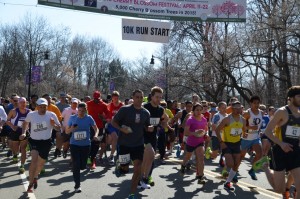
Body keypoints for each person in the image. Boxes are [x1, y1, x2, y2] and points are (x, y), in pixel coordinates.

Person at [255, 86, 300, 199]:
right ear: (291, 98)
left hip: (295, 151)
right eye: (299, 96)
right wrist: (281, 144)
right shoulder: (282, 112)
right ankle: (265, 166)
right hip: (280, 151)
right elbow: (268, 131)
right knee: (278, 189)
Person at [111, 89, 152, 199]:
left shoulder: (146, 113)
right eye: (137, 97)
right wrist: (121, 129)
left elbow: (146, 126)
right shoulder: (125, 110)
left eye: (140, 97)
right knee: (125, 169)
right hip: (124, 143)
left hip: (138, 144)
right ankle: (120, 165)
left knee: (138, 168)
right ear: (133, 98)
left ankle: (132, 193)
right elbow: (113, 122)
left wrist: (149, 128)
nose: (138, 99)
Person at [21, 98, 61, 193]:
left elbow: (59, 128)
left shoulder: (51, 115)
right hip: (34, 141)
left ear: (47, 107)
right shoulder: (31, 114)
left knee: (41, 163)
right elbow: (25, 123)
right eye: (41, 107)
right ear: (37, 107)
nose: (43, 109)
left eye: (45, 107)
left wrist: (53, 124)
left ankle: (35, 176)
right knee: (34, 161)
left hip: (46, 142)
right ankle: (30, 183)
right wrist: (23, 132)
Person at [65, 102, 99, 193]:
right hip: (74, 145)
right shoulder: (72, 118)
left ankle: (82, 165)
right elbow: (66, 131)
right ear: (77, 110)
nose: (80, 112)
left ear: (86, 111)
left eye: (83, 111)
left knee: (83, 166)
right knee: (76, 164)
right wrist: (72, 129)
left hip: (86, 145)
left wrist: (95, 135)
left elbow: (96, 128)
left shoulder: (89, 118)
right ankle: (77, 185)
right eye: (79, 110)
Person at [215, 101, 246, 191]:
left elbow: (244, 130)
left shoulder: (243, 119)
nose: (239, 110)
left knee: (236, 165)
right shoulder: (227, 119)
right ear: (232, 109)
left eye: (240, 108)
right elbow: (217, 130)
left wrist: (245, 134)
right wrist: (221, 142)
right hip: (226, 143)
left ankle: (227, 182)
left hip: (237, 143)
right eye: (237, 108)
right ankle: (223, 158)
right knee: (230, 164)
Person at [141, 86, 164, 187]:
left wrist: (162, 124)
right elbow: (138, 122)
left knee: (149, 158)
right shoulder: (145, 107)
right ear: (152, 96)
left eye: (160, 97)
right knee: (150, 154)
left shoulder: (161, 110)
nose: (158, 99)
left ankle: (144, 178)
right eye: (157, 97)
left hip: (153, 136)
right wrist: (146, 127)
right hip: (142, 135)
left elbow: (160, 122)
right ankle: (141, 179)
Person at [180, 103, 208, 184]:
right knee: (188, 156)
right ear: (194, 111)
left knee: (201, 158)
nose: (199, 112)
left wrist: (206, 135)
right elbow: (186, 132)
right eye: (197, 110)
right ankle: (183, 165)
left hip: (200, 142)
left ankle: (200, 176)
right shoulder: (190, 119)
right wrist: (194, 134)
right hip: (191, 142)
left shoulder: (204, 119)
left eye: (200, 110)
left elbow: (205, 130)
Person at [240, 95, 263, 180]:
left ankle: (252, 170)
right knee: (241, 156)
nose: (256, 105)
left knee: (260, 154)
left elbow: (259, 125)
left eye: (258, 103)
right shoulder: (247, 113)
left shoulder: (261, 112)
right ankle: (234, 172)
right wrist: (250, 128)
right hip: (246, 138)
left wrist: (259, 131)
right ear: (251, 103)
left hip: (255, 137)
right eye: (254, 103)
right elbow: (240, 125)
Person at [86, 91, 111, 169]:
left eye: (98, 98)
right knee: (89, 143)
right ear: (93, 97)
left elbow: (108, 115)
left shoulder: (103, 104)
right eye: (95, 98)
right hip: (89, 126)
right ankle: (87, 158)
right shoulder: (88, 104)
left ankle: (93, 160)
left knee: (96, 143)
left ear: (100, 97)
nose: (97, 100)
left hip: (99, 127)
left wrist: (103, 118)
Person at [6, 97, 31, 173]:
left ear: (26, 103)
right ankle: (15, 155)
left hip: (24, 132)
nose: (23, 104)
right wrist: (13, 126)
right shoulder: (13, 111)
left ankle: (22, 165)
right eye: (21, 102)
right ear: (18, 103)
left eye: (24, 102)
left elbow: (32, 121)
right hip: (15, 131)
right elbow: (7, 120)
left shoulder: (29, 111)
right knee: (15, 148)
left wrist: (28, 128)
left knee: (23, 148)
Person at [106, 91, 124, 165]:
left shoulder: (122, 105)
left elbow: (124, 115)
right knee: (114, 138)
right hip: (111, 125)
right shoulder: (109, 105)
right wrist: (107, 119)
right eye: (114, 98)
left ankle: (116, 155)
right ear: (112, 98)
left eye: (117, 98)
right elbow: (106, 115)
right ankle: (111, 156)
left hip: (119, 125)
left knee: (118, 141)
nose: (116, 99)